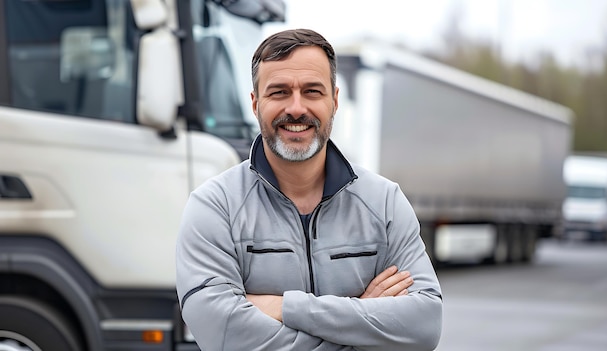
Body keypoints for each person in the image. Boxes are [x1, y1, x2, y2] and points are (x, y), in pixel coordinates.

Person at [176, 28, 443, 351]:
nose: (297, 108)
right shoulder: (215, 207)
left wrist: (285, 307)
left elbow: (423, 325)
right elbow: (223, 335)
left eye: (312, 91)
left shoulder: (383, 203)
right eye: (279, 92)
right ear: (255, 103)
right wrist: (363, 319)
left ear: (335, 100)